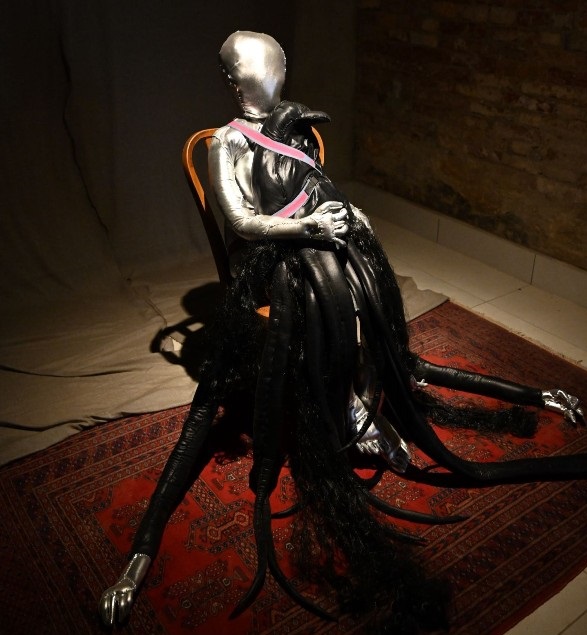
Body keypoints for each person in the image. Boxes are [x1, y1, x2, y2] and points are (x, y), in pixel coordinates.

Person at [100, 31, 584, 631]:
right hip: (268, 258)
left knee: (365, 292)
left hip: (316, 238)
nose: (270, 73)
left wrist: (347, 216)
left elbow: (315, 192)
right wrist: (309, 229)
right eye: (254, 66)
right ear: (233, 78)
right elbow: (243, 222)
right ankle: (345, 411)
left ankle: (364, 392)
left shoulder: (298, 128)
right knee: (310, 291)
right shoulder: (225, 142)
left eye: (275, 63)